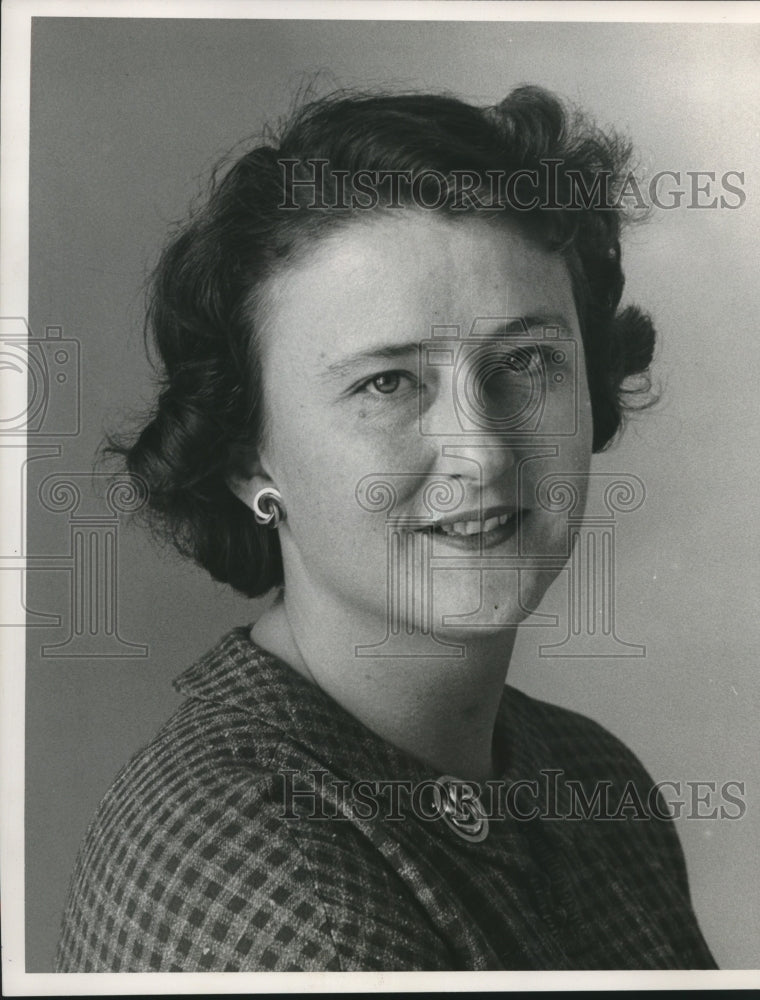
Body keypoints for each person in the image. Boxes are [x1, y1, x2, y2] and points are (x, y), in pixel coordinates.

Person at [55, 86, 717, 972]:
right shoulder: (290, 893)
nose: (479, 452)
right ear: (250, 460)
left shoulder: (592, 775)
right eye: (388, 384)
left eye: (525, 362)